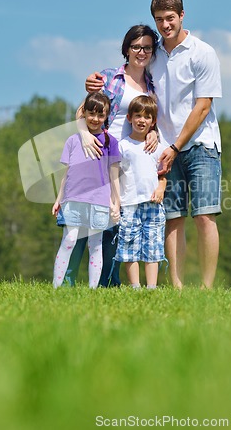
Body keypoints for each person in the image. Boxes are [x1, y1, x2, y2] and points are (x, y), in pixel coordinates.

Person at [86, 0, 223, 289]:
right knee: (172, 218)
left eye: (170, 18)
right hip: (161, 151)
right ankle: (176, 286)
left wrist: (175, 146)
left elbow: (204, 106)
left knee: (204, 216)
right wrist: (96, 81)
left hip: (200, 145)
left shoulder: (203, 52)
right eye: (159, 19)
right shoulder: (155, 55)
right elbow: (129, 72)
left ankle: (207, 288)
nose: (165, 25)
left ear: (182, 15)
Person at [69, 24, 160, 288]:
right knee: (87, 219)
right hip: (99, 154)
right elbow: (81, 112)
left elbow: (150, 118)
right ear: (126, 48)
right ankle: (68, 278)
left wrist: (153, 132)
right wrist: (85, 135)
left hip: (130, 160)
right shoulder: (110, 78)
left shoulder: (152, 86)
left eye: (146, 48)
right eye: (135, 47)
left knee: (118, 221)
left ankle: (110, 280)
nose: (141, 52)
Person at [52, 92, 120, 289]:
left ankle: (92, 289)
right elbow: (67, 173)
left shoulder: (111, 142)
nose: (95, 119)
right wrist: (59, 199)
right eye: (91, 114)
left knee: (95, 244)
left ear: (106, 116)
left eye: (101, 115)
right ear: (85, 113)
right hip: (73, 198)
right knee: (69, 240)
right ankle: (57, 287)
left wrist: (116, 202)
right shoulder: (73, 140)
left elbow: (114, 175)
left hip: (99, 200)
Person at [115, 95, 166, 289]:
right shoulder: (122, 146)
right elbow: (116, 176)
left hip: (153, 204)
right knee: (129, 245)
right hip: (129, 204)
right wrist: (116, 201)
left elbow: (162, 175)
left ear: (153, 122)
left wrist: (161, 188)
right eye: (137, 116)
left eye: (147, 117)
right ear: (129, 118)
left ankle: (151, 287)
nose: (141, 120)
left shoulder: (157, 147)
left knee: (152, 246)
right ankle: (135, 286)